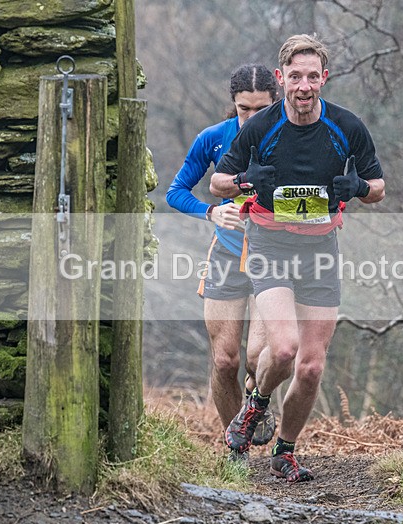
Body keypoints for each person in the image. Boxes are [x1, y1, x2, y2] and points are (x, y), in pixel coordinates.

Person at [210, 34, 386, 482]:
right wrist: (248, 179)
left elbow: (379, 188)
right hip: (270, 246)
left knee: (311, 367)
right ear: (281, 78)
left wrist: (359, 189)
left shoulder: (346, 126)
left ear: (323, 78)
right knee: (283, 349)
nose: (303, 86)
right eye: (295, 76)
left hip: (320, 250)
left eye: (312, 76)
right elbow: (219, 183)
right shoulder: (260, 126)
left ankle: (284, 452)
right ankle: (255, 407)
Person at [165, 64, 281, 458]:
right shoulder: (213, 138)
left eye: (261, 108)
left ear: (275, 102)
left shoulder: (293, 136)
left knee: (255, 357)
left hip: (274, 255)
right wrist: (211, 212)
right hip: (227, 254)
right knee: (225, 357)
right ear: (233, 104)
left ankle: (259, 399)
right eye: (243, 108)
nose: (251, 117)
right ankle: (238, 452)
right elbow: (176, 192)